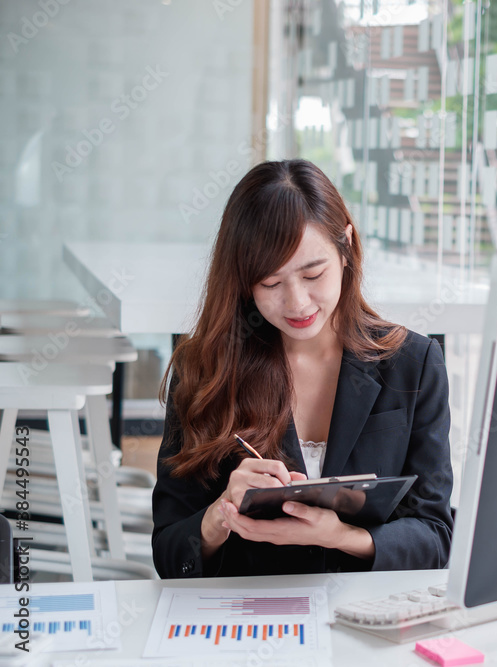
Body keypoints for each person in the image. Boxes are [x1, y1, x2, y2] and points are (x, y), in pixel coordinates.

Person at [151, 159, 453, 578]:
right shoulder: (206, 368)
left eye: (313, 274)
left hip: (363, 620)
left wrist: (339, 536)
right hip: (247, 622)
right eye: (270, 284)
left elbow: (435, 538)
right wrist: (217, 518)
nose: (297, 303)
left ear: (346, 247)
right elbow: (168, 555)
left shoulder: (412, 364)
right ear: (242, 282)